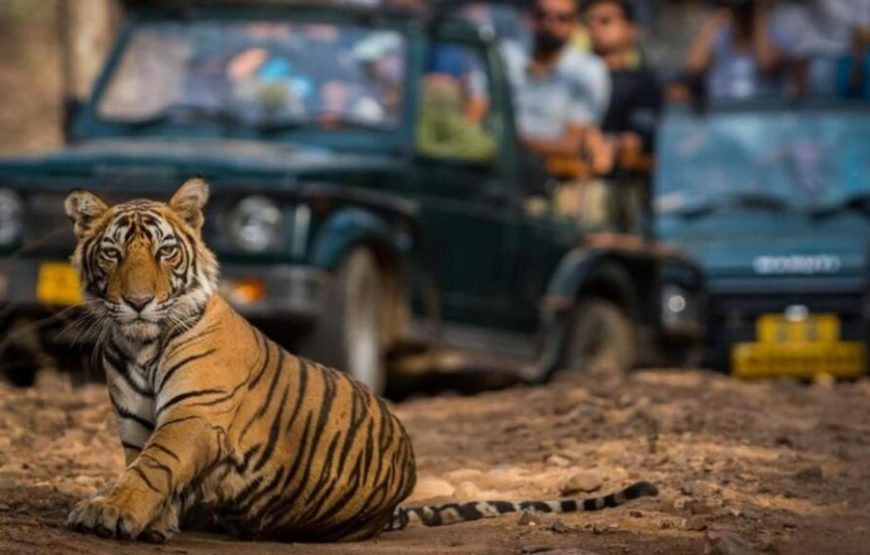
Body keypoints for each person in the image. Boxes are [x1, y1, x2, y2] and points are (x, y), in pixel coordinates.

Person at [501, 0, 611, 169]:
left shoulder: (588, 71)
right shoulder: (505, 53)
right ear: (530, 16)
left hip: (546, 172)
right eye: (542, 15)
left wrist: (511, 142)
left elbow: (571, 144)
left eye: (562, 18)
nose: (550, 23)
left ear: (575, 24)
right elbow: (477, 110)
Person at [585, 0, 662, 161]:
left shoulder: (643, 84)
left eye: (605, 21)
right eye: (589, 21)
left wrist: (611, 143)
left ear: (630, 30)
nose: (595, 27)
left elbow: (640, 137)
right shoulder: (573, 75)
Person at [679, 0, 790, 102]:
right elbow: (694, 67)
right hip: (722, 114)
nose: (742, 15)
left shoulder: (775, 36)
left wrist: (759, 10)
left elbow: (767, 64)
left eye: (746, 10)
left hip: (764, 114)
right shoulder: (719, 37)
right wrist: (718, 15)